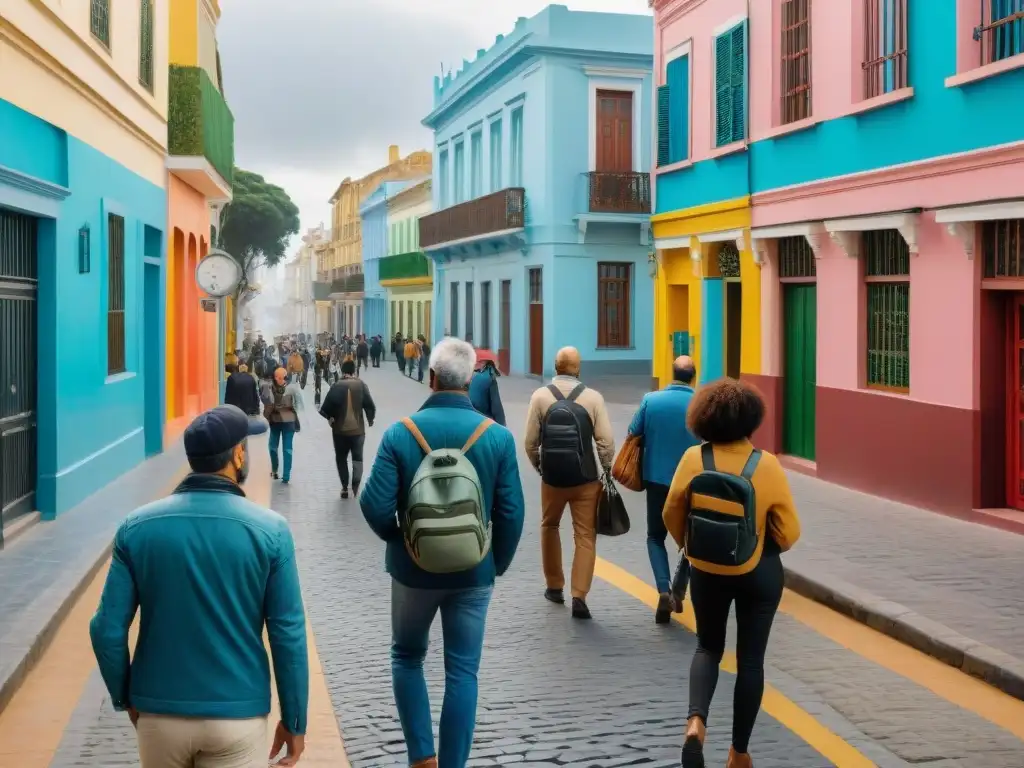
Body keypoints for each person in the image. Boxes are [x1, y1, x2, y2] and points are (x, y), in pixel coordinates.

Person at [89, 405, 308, 768]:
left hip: (159, 712)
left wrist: (125, 696)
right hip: (238, 713)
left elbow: (106, 629)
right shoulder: (271, 531)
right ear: (238, 455)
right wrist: (295, 719)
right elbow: (288, 633)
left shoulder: (136, 528)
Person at [360, 338, 526, 768]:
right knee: (462, 671)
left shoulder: (401, 433)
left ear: (430, 377)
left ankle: (421, 757)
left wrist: (400, 542)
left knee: (406, 656)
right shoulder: (498, 438)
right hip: (473, 574)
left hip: (412, 573)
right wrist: (494, 564)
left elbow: (374, 505)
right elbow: (511, 513)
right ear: (471, 381)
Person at [662, 379, 802, 768]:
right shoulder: (766, 464)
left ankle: (695, 723)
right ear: (751, 420)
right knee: (751, 662)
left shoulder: (694, 459)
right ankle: (739, 752)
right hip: (757, 571)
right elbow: (789, 533)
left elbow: (672, 512)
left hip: (707, 569)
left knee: (707, 647)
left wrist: (691, 547)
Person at [524, 346, 614, 620]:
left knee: (549, 526)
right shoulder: (593, 398)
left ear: (555, 366)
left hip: (553, 479)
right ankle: (579, 595)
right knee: (585, 534)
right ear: (579, 367)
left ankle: (554, 586)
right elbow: (605, 442)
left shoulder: (540, 396)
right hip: (585, 478)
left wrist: (541, 467)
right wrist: (606, 468)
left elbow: (530, 442)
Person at [626, 355, 700, 624]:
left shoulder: (651, 400)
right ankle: (680, 589)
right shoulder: (701, 405)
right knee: (692, 538)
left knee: (656, 536)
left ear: (672, 373)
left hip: (656, 479)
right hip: (694, 483)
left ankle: (662, 588)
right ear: (693, 375)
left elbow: (633, 431)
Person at [319, 358, 376, 499]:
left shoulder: (336, 386)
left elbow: (326, 408)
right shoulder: (361, 385)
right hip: (358, 432)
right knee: (357, 458)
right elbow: (370, 405)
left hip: (339, 431)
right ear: (354, 370)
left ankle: (344, 487)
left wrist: (330, 418)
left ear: (343, 371)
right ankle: (355, 486)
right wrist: (370, 419)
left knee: (341, 458)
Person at [261, 366, 304, 484]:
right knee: (273, 448)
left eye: (282, 377)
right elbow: (265, 401)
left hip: (288, 421)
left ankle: (286, 475)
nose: (281, 379)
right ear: (275, 377)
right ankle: (275, 470)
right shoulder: (269, 387)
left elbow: (299, 404)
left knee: (287, 449)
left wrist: (292, 411)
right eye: (278, 377)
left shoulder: (292, 388)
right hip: (274, 421)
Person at [469, 359, 506, 426]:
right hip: (484, 421)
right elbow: (496, 406)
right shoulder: (490, 378)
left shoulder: (468, 377)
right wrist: (502, 426)